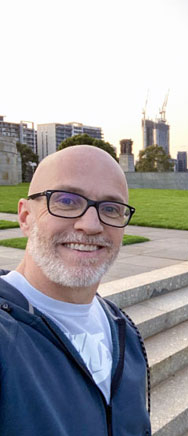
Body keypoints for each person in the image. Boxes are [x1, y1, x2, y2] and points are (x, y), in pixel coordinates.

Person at [0, 145, 151, 435]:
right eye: (67, 201)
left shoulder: (123, 329)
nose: (91, 225)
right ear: (25, 217)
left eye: (110, 208)